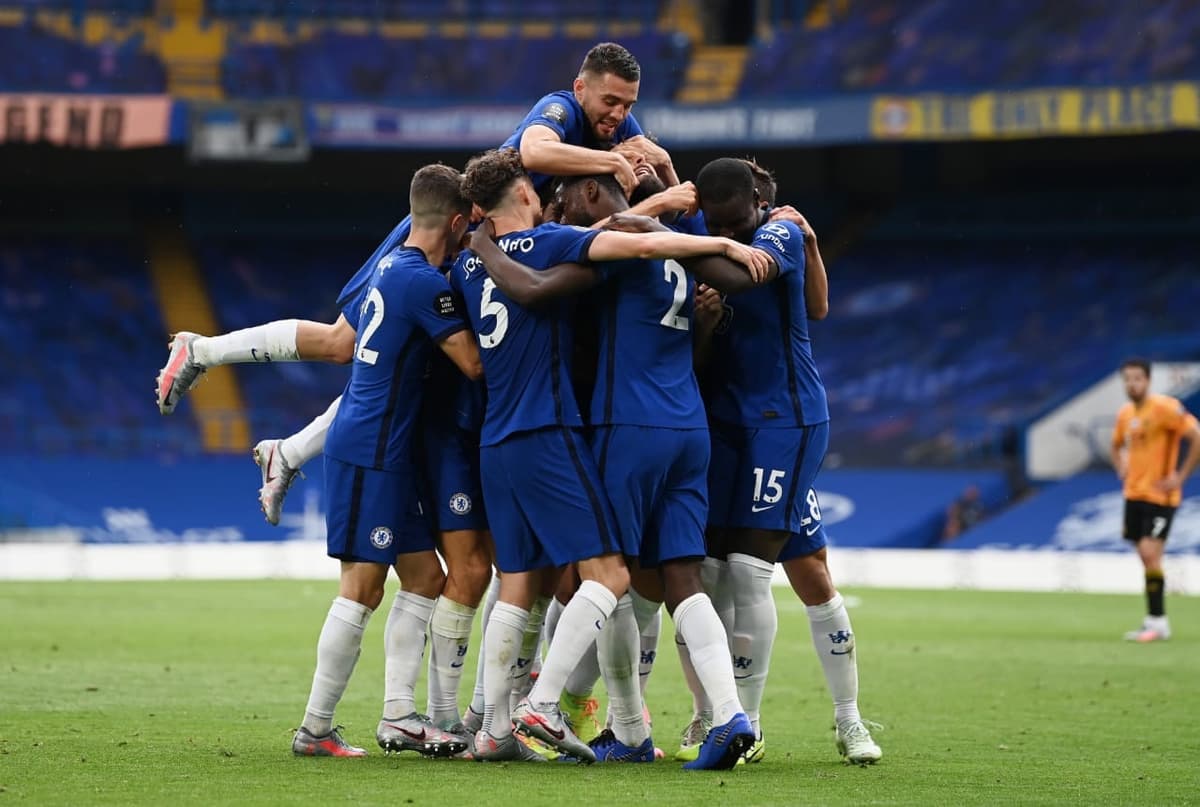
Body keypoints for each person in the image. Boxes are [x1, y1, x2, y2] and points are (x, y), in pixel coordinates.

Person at [154, 41, 664, 523]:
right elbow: (533, 150)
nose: (618, 114)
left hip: (491, 255)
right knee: (344, 343)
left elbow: (631, 182)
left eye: (628, 105)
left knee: (407, 364)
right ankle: (204, 352)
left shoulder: (618, 126)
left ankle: (287, 451)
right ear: (580, 89)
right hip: (449, 233)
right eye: (610, 101)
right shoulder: (562, 109)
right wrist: (614, 160)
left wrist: (657, 170)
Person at [450, 148, 767, 763]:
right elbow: (640, 245)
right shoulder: (676, 242)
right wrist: (711, 239)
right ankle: (728, 717)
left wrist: (482, 243)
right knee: (681, 578)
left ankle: (582, 717)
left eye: (567, 197)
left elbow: (557, 275)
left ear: (593, 195)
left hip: (626, 427)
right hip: (687, 424)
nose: (558, 207)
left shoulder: (618, 238)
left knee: (608, 576)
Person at [685, 157, 883, 766]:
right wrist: (704, 321)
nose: (726, 226)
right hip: (725, 423)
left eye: (735, 217)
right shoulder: (699, 232)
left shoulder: (782, 231)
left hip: (785, 423)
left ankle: (836, 721)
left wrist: (662, 244)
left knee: (770, 574)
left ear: (758, 203)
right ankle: (714, 713)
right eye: (714, 220)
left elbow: (750, 280)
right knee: (712, 575)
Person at [291, 164, 481, 758]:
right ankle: (314, 729)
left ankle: (399, 715)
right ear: (455, 222)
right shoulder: (425, 283)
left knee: (426, 577)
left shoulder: (390, 265)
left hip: (389, 449)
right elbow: (476, 365)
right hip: (370, 448)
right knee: (362, 587)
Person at [1110, 358, 1200, 642]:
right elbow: (1115, 445)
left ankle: (1159, 621)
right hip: (1134, 495)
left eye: (1137, 379)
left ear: (1147, 380)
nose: (1131, 384)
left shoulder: (1165, 408)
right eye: (1127, 379)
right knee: (1146, 556)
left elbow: (1196, 437)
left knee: (1150, 553)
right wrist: (1121, 465)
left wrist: (1180, 476)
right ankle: (1154, 620)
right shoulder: (1125, 414)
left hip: (1162, 495)